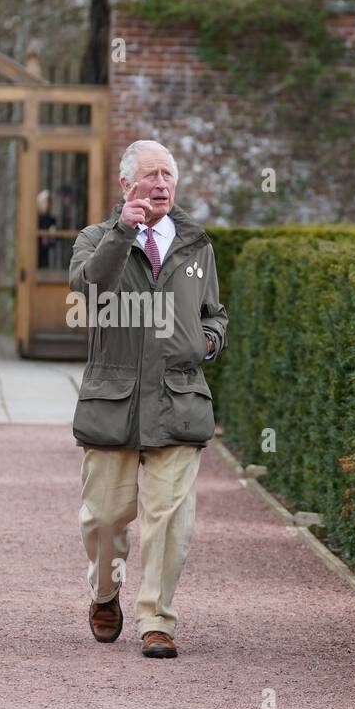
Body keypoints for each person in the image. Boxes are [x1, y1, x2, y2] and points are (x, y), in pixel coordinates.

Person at [68, 139, 227, 658]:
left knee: (169, 520)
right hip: (112, 400)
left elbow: (214, 314)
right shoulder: (96, 237)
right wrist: (122, 232)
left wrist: (208, 341)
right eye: (151, 175)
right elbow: (90, 291)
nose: (161, 184)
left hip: (178, 400)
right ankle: (104, 592)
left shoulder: (196, 243)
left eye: (168, 175)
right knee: (105, 517)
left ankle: (157, 618)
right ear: (125, 185)